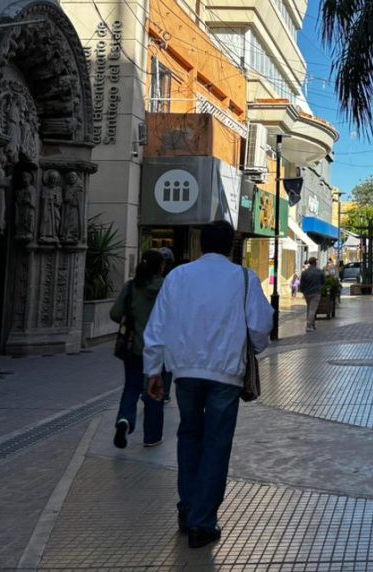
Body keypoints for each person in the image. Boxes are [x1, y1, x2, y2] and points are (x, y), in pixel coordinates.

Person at [144, 220, 273, 550]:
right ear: (231, 245)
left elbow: (158, 325)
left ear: (201, 244)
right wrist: (254, 349)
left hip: (185, 370)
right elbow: (260, 325)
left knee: (189, 435)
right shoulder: (244, 278)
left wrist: (153, 371)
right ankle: (202, 520)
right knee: (216, 443)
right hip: (226, 373)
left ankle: (188, 508)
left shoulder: (178, 276)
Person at [110, 249, 171, 449]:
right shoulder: (166, 287)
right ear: (160, 267)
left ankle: (125, 420)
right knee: (154, 392)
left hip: (133, 348)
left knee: (131, 387)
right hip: (159, 349)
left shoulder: (131, 287)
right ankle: (151, 437)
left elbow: (115, 313)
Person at [299, 257, 325, 332]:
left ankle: (312, 324)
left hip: (307, 293)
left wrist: (303, 291)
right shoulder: (319, 272)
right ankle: (309, 325)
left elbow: (302, 284)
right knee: (312, 309)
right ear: (315, 263)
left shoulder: (305, 272)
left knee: (309, 308)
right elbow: (323, 282)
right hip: (316, 293)